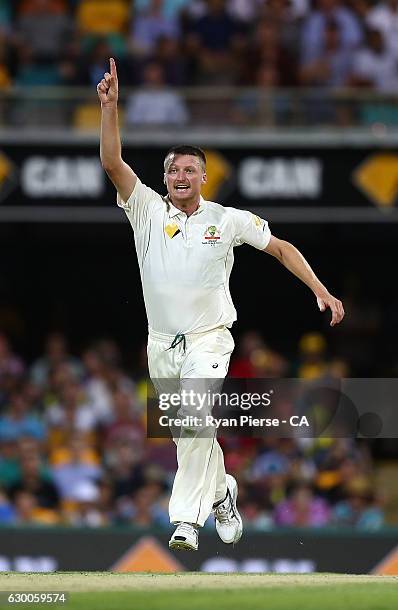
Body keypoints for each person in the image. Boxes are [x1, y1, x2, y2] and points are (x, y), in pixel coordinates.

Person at [97, 58, 345, 551]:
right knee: (192, 433)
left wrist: (319, 289)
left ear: (204, 178)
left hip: (210, 338)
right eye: (173, 169)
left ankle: (185, 521)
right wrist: (110, 107)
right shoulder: (145, 208)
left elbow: (280, 248)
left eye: (190, 169)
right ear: (165, 178)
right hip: (161, 344)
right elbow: (112, 164)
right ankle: (223, 492)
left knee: (194, 417)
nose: (180, 175)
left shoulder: (227, 219)